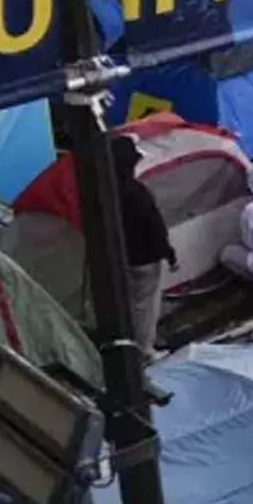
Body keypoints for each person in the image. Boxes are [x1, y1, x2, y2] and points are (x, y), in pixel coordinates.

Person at [109, 135, 176, 356]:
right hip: (145, 258)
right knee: (146, 306)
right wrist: (168, 253)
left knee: (128, 301)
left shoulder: (105, 190)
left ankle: (126, 339)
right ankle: (145, 349)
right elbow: (154, 226)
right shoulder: (137, 192)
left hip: (119, 256)